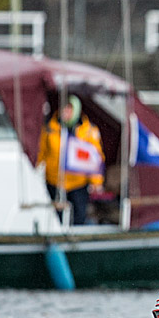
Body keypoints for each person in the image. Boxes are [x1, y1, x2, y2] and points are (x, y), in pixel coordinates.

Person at [37, 95, 105, 225]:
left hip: (78, 181)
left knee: (78, 215)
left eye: (69, 109)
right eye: (64, 108)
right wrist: (35, 169)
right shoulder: (50, 128)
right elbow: (42, 152)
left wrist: (96, 181)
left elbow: (95, 158)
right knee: (57, 216)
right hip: (54, 180)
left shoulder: (88, 131)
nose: (66, 112)